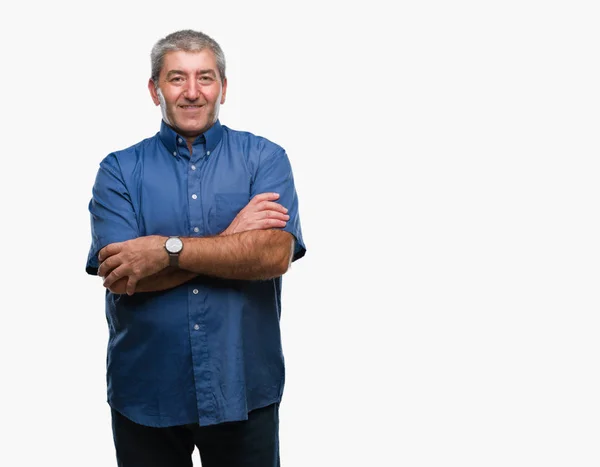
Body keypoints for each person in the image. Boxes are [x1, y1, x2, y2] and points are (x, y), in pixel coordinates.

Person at [85, 29, 306, 467]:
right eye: (176, 79)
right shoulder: (119, 171)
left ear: (223, 86)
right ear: (155, 90)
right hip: (146, 390)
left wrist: (163, 251)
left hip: (244, 384)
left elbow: (273, 256)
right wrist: (232, 242)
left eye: (205, 77)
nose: (191, 92)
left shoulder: (265, 159)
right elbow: (123, 277)